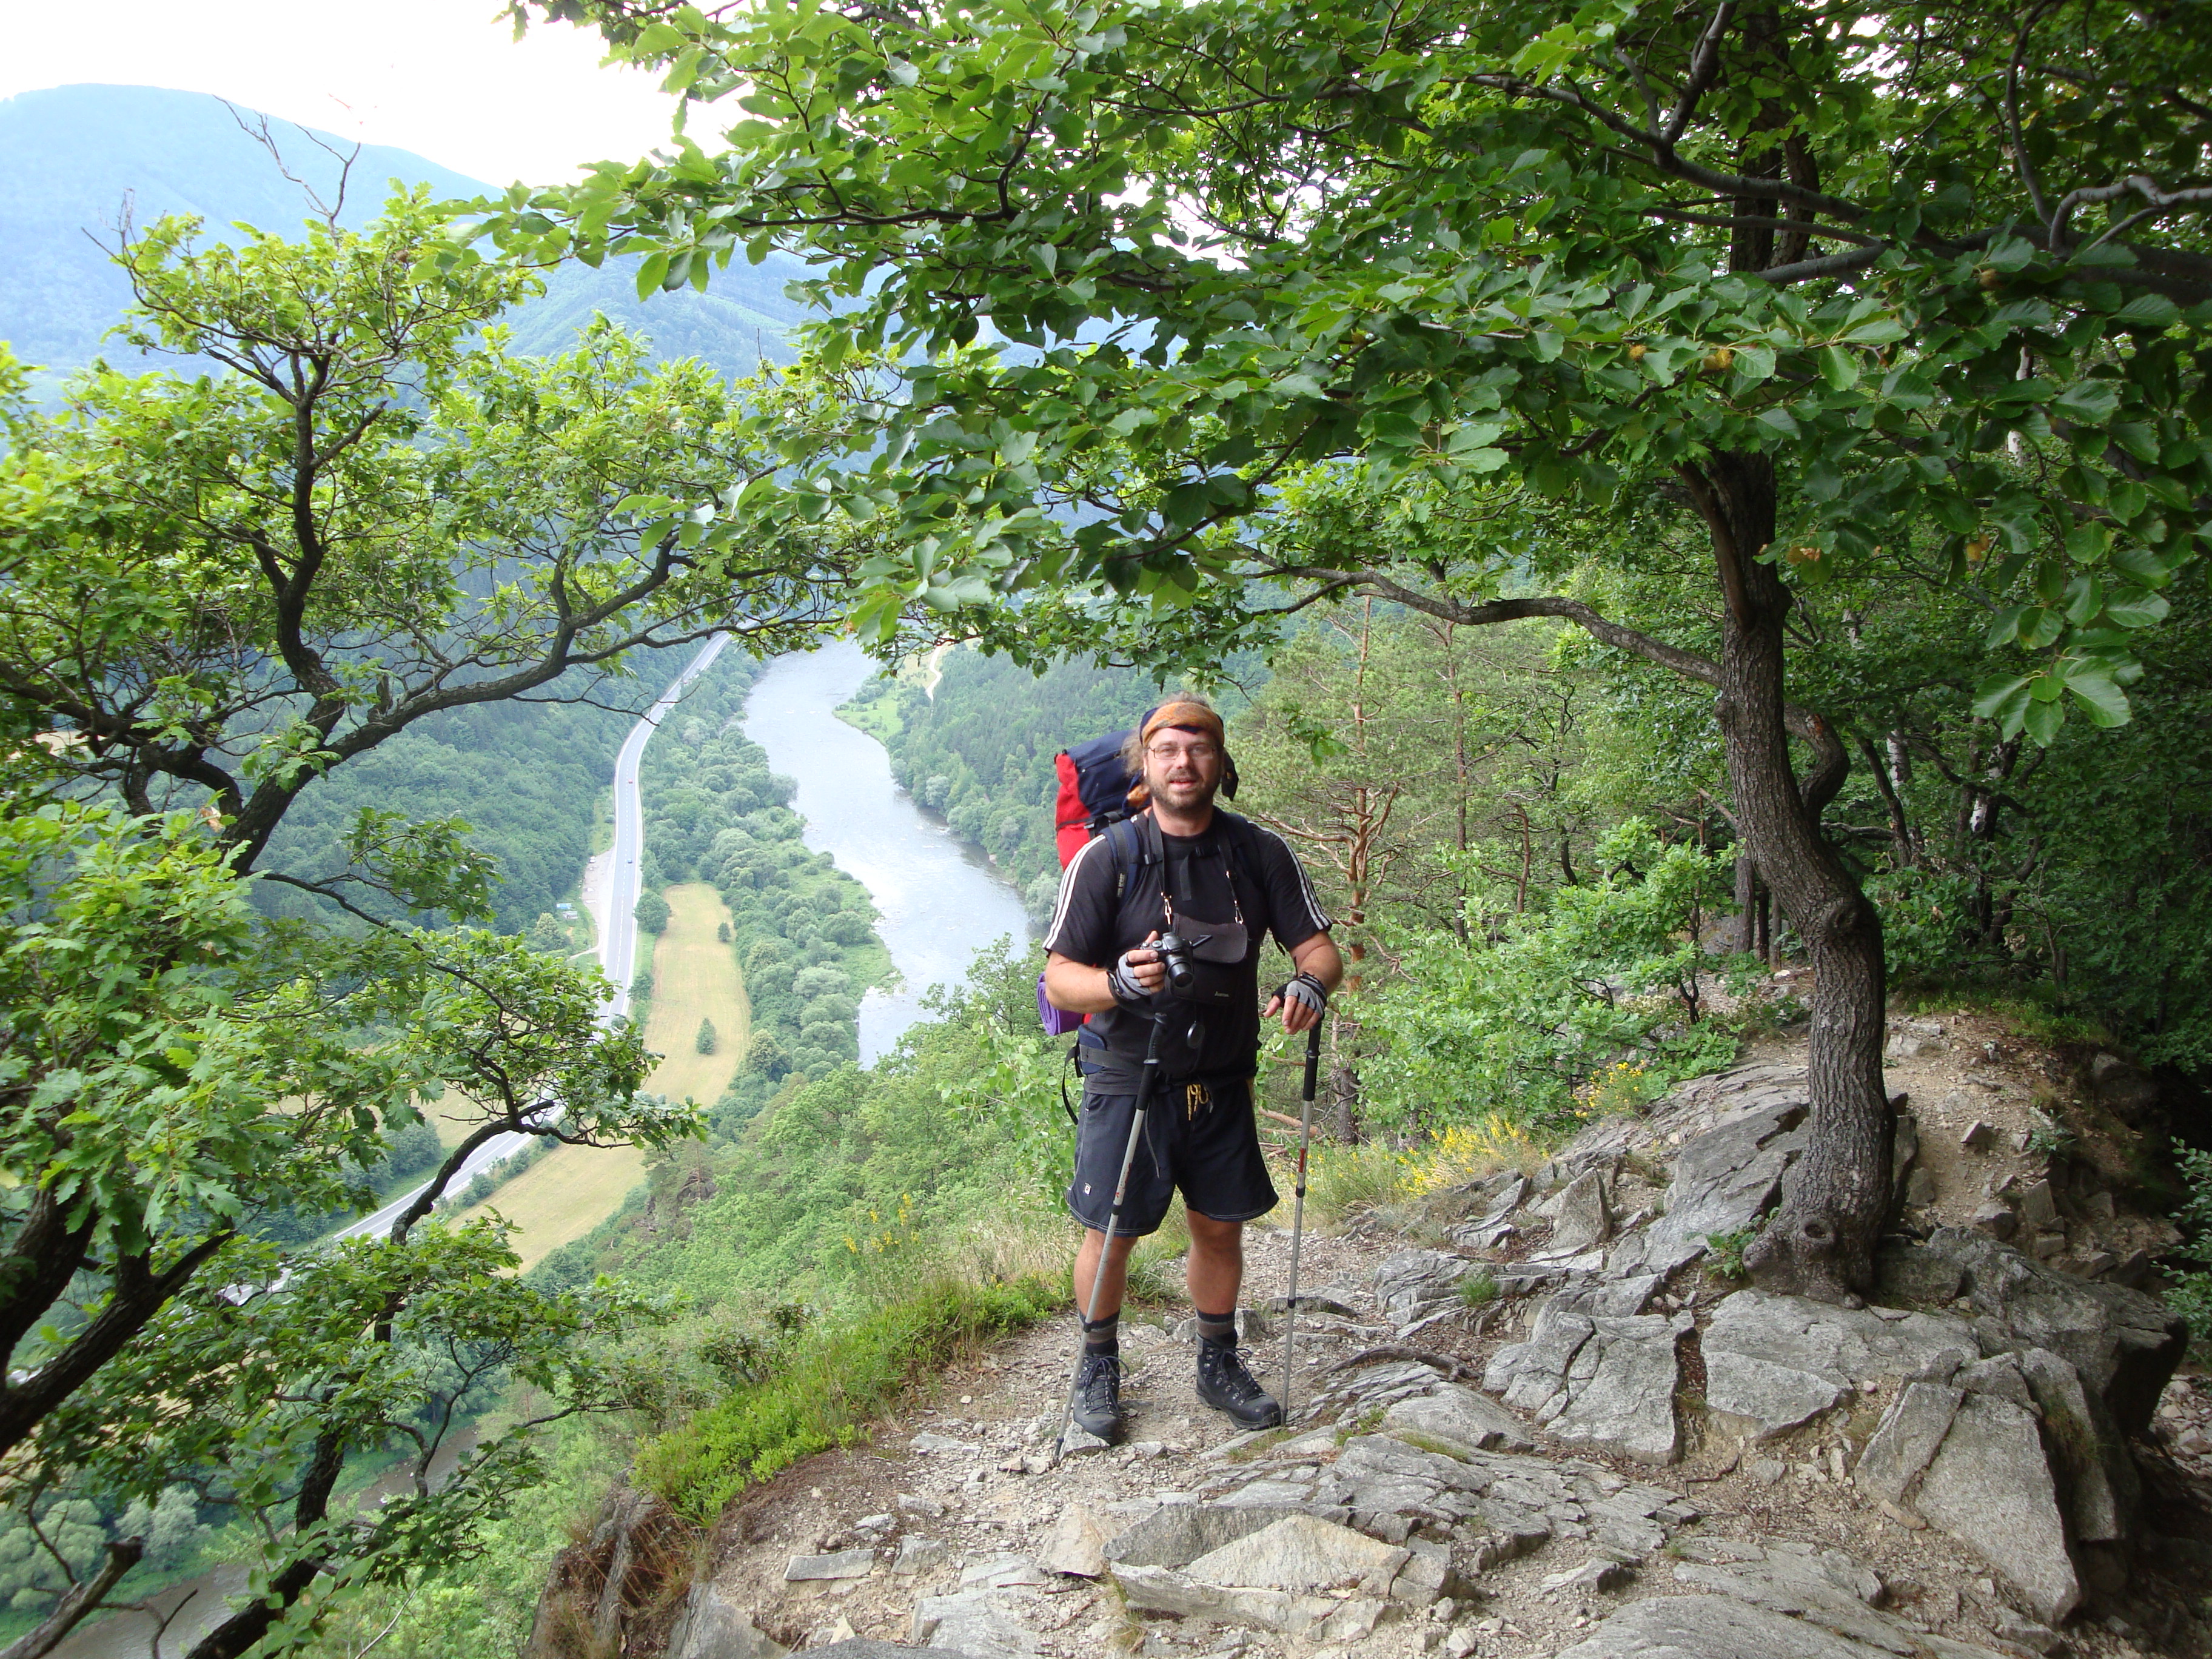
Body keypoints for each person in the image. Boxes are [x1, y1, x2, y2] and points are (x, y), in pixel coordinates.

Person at [1042, 697, 1344, 1440]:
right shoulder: (1107, 859)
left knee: (1218, 1228)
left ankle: (1219, 1361)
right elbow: (1059, 980)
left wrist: (1309, 984)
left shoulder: (1260, 854)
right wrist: (1118, 983)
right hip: (1127, 1078)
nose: (1184, 763)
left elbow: (1319, 950)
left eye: (1199, 748)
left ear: (1220, 762)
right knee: (1112, 1233)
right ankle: (1097, 1364)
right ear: (1145, 766)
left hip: (1222, 1077)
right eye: (1169, 750)